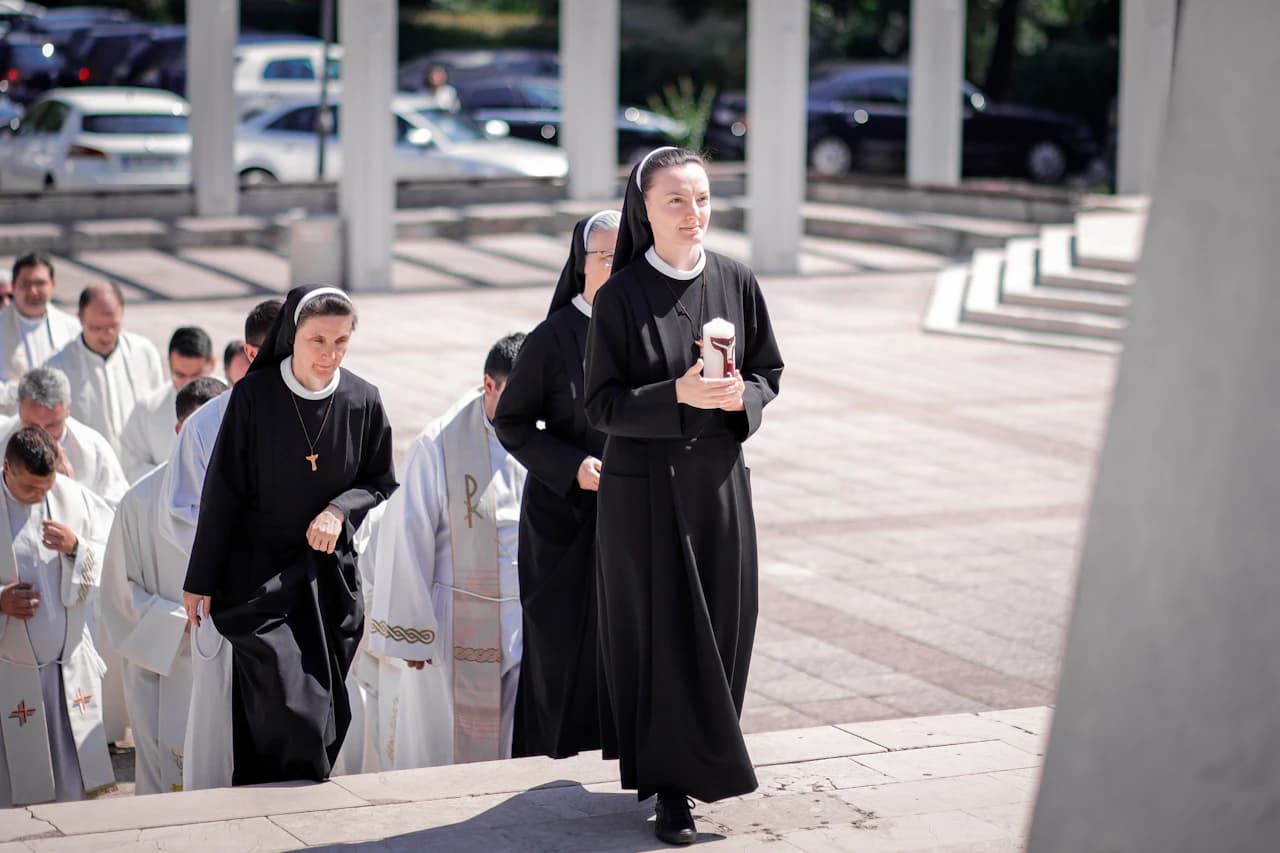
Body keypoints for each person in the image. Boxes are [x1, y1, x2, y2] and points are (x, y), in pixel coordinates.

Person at [584, 147, 784, 845]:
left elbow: (768, 369)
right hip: (643, 496)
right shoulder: (620, 295)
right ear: (644, 208)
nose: (692, 213)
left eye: (701, 199)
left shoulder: (735, 278)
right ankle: (669, 787)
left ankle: (699, 760)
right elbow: (601, 405)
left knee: (727, 623)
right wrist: (676, 394)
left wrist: (739, 397)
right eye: (676, 200)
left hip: (719, 487)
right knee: (660, 635)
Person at [182, 285, 396, 786]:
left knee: (324, 714)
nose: (329, 353)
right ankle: (279, 808)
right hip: (259, 581)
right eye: (317, 339)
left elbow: (379, 480)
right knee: (287, 706)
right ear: (291, 337)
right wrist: (200, 579)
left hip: (327, 581)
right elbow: (223, 494)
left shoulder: (362, 399)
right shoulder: (254, 397)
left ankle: (278, 807)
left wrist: (339, 509)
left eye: (341, 341)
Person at [366, 333, 527, 768]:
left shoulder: (541, 433)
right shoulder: (441, 441)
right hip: (455, 622)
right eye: (514, 394)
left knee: (511, 746)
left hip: (523, 619)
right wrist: (412, 631)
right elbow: (408, 534)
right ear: (488, 385)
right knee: (443, 745)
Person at [493, 211, 618, 760]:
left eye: (628, 255)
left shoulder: (644, 329)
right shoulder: (554, 335)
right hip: (563, 520)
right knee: (563, 650)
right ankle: (548, 758)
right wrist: (571, 466)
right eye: (606, 257)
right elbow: (512, 422)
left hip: (630, 511)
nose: (618, 267)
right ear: (581, 264)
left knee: (627, 644)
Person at [166, 299, 280, 792]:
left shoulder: (318, 413)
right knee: (225, 725)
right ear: (252, 353)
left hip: (292, 598)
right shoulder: (204, 426)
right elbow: (182, 515)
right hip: (231, 598)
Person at [99, 376, 226, 796]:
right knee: (166, 781)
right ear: (178, 430)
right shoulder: (138, 501)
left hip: (230, 662)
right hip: (164, 665)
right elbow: (118, 595)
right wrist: (178, 624)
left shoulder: (248, 494)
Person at [0, 426, 115, 806]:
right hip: (10, 672)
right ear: (6, 469)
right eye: (30, 489)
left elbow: (114, 554)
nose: (38, 497)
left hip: (68, 670)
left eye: (45, 488)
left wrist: (78, 547)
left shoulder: (73, 497)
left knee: (73, 784)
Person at [47, 282, 165, 460]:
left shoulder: (144, 353)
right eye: (96, 328)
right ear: (80, 319)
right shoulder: (57, 367)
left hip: (140, 470)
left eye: (113, 326)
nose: (106, 334)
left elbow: (159, 412)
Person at [1, 366, 129, 507]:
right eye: (32, 426)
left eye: (52, 425)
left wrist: (70, 489)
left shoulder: (95, 449)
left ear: (68, 410)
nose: (43, 435)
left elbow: (117, 511)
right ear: (19, 411)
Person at [120, 327, 216, 482]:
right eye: (180, 375)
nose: (188, 384)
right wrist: (177, 478)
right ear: (169, 365)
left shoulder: (231, 402)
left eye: (196, 375)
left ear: (212, 363)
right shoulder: (148, 408)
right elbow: (131, 467)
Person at [0, 253, 81, 414]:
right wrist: (20, 392)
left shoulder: (72, 328)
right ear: (14, 286)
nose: (33, 291)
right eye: (26, 284)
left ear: (53, 284)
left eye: (40, 283)